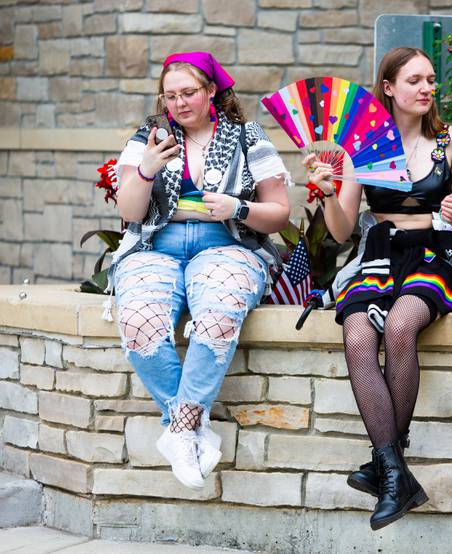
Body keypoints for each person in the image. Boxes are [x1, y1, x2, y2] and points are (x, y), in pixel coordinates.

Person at [305, 47, 452, 530]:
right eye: (415, 80)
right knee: (359, 333)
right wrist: (325, 192)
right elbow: (341, 232)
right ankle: (395, 471)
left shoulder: (450, 140)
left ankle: (385, 469)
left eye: (430, 81)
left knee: (401, 326)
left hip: (433, 253)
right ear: (388, 87)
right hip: (378, 255)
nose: (427, 88)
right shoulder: (360, 145)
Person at [111, 52, 291, 489]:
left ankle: (178, 429)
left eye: (189, 92)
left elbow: (280, 213)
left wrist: (239, 207)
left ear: (212, 92)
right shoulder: (148, 137)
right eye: (170, 95)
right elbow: (130, 210)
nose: (179, 102)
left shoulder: (248, 137)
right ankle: (188, 428)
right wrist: (147, 170)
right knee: (138, 322)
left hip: (227, 244)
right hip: (156, 245)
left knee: (218, 315)